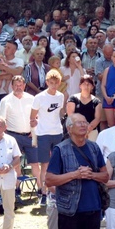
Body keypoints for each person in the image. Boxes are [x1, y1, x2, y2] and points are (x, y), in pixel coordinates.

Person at [46, 114, 109, 229]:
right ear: (69, 128)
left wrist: (91, 175)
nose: (83, 125)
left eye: (85, 122)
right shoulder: (60, 150)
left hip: (93, 208)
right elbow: (49, 179)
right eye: (79, 123)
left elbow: (106, 176)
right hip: (69, 210)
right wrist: (75, 174)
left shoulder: (94, 148)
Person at [30, 69, 65, 206]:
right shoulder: (39, 97)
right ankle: (44, 193)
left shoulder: (61, 96)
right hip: (43, 133)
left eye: (56, 83)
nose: (53, 85)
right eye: (51, 83)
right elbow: (32, 117)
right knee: (44, 164)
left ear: (59, 83)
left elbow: (60, 113)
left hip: (57, 132)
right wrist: (34, 126)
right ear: (47, 82)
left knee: (58, 163)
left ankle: (56, 192)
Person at [65, 75, 102, 142]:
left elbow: (97, 118)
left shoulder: (97, 102)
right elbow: (70, 116)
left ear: (92, 87)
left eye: (88, 84)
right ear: (80, 86)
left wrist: (87, 130)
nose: (86, 86)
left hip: (91, 132)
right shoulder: (72, 99)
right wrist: (80, 130)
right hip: (75, 131)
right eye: (84, 84)